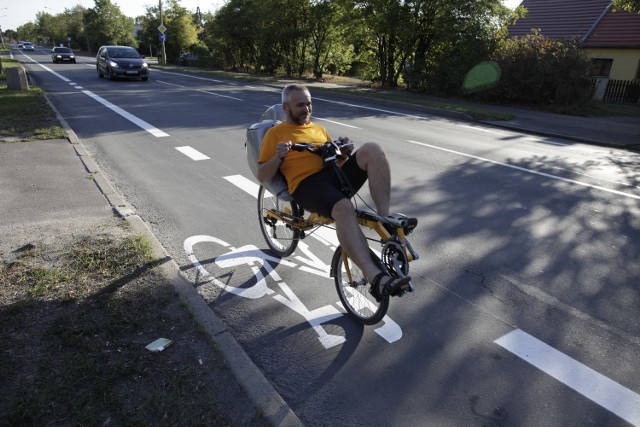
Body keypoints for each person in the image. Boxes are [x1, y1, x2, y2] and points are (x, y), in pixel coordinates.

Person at [257, 84, 412, 301]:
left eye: (309, 103)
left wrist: (344, 154)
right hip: (306, 185)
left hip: (331, 178)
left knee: (372, 150)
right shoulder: (275, 133)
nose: (307, 109)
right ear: (285, 107)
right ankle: (377, 279)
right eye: (300, 105)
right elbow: (262, 174)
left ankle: (385, 219)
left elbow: (333, 161)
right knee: (343, 207)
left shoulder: (318, 130)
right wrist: (278, 157)